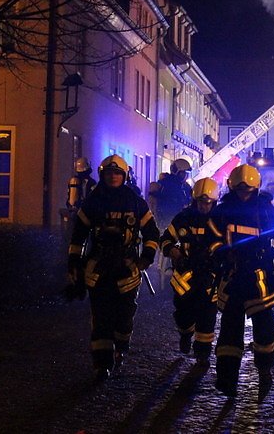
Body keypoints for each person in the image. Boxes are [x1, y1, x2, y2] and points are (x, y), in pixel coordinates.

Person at [210, 164, 274, 402]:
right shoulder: (222, 211)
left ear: (255, 189)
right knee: (229, 330)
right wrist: (220, 253)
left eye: (247, 191)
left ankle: (264, 370)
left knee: (265, 328)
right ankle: (227, 379)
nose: (243, 195)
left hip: (260, 277)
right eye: (240, 191)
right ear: (232, 187)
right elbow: (211, 238)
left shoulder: (267, 211)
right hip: (233, 276)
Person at [66, 154, 160, 382]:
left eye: (117, 173)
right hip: (98, 268)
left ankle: (121, 346)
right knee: (101, 318)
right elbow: (78, 236)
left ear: (124, 175)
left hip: (128, 268)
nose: (113, 177)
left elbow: (151, 233)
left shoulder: (135, 201)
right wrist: (74, 264)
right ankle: (102, 363)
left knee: (124, 317)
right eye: (109, 173)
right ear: (102, 175)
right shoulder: (93, 201)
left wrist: (146, 256)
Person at [160, 177, 224, 366]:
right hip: (185, 276)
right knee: (183, 314)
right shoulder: (183, 217)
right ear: (194, 200)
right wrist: (173, 251)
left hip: (209, 277)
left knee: (207, 317)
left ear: (214, 202)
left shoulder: (220, 220)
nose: (204, 206)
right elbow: (165, 239)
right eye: (200, 202)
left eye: (208, 203)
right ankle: (185, 333)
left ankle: (202, 356)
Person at [148, 158, 193, 231]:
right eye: (183, 173)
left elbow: (191, 199)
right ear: (177, 172)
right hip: (166, 221)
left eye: (186, 174)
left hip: (181, 222)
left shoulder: (185, 187)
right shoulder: (165, 185)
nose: (185, 176)